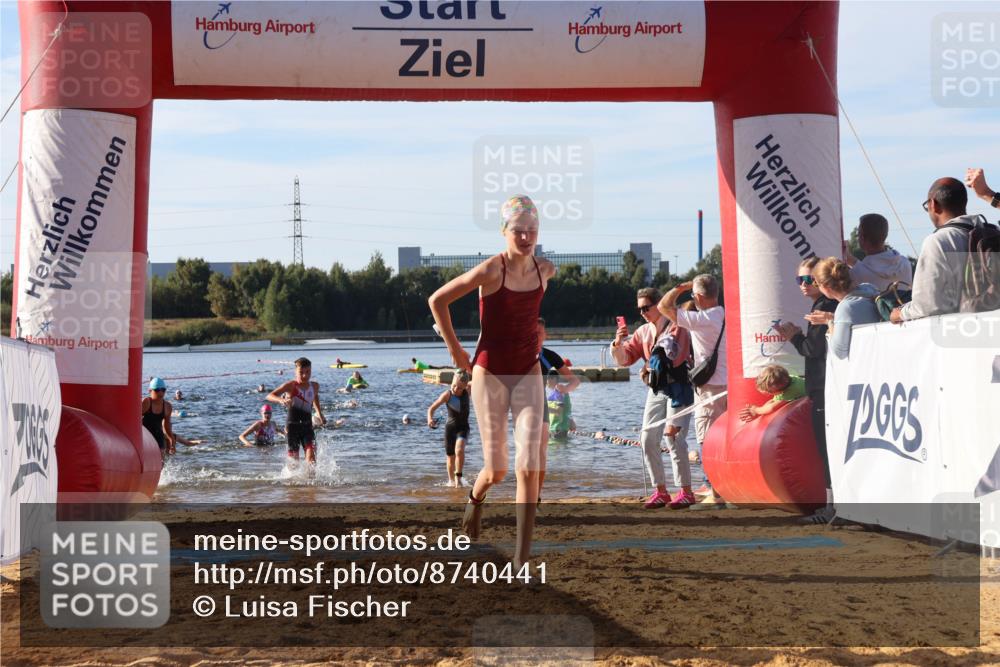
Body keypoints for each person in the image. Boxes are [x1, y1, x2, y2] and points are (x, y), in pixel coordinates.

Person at [428, 194, 555, 568]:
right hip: (490, 371)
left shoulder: (544, 270)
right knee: (497, 468)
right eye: (518, 231)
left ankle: (521, 559)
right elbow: (438, 300)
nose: (526, 237)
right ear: (504, 231)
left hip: (528, 369)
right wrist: (456, 353)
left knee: (529, 464)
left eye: (532, 230)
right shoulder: (491, 270)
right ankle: (475, 498)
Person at [611, 287, 696, 509]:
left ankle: (686, 491)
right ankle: (661, 490)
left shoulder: (679, 325)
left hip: (680, 387)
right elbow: (626, 359)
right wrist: (618, 344)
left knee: (674, 438)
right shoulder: (642, 332)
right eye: (639, 309)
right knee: (647, 438)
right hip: (657, 389)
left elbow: (674, 353)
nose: (642, 313)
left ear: (658, 304)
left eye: (646, 308)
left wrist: (654, 362)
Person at [775, 257, 839, 520]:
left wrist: (794, 336)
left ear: (821, 280)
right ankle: (835, 506)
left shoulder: (824, 306)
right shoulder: (830, 306)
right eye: (798, 280)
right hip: (829, 385)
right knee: (830, 449)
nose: (802, 285)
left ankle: (832, 507)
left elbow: (813, 350)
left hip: (823, 386)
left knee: (827, 450)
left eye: (807, 279)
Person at [658, 274, 728, 509]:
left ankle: (716, 494)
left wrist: (680, 287)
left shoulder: (702, 319)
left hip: (709, 388)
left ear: (698, 296)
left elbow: (663, 306)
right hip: (730, 386)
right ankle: (725, 490)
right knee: (726, 440)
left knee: (707, 441)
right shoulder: (725, 314)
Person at [890, 177, 980, 323]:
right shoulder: (990, 232)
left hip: (959, 332)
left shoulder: (938, 241)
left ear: (933, 204)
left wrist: (899, 314)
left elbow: (927, 304)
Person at [537, 317, 581, 502]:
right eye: (531, 332)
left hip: (541, 407)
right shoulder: (518, 353)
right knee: (525, 452)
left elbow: (575, 380)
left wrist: (566, 389)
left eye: (538, 332)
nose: (534, 336)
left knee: (540, 454)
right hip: (522, 407)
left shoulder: (549, 355)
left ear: (544, 335)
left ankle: (536, 496)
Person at [812, 258, 881, 359]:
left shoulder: (845, 307)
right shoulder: (870, 288)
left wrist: (830, 321)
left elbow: (839, 352)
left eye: (816, 284)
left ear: (826, 287)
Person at [267, 357, 326, 469]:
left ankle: (312, 485)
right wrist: (281, 400)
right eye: (301, 372)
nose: (304, 375)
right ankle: (294, 484)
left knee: (312, 459)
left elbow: (315, 397)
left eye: (308, 372)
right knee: (294, 463)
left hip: (308, 427)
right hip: (292, 427)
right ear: (295, 372)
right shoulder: (290, 385)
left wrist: (319, 413)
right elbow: (270, 395)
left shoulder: (314, 386)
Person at [426, 370, 472, 487]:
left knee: (459, 450)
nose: (456, 389)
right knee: (450, 457)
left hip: (463, 428)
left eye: (460, 388)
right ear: (451, 382)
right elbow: (431, 409)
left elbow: (482, 382)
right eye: (454, 385)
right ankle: (451, 481)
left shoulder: (468, 390)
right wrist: (430, 419)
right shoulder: (447, 395)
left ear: (465, 386)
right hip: (450, 429)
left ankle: (458, 478)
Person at [843, 213, 913, 291]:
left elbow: (865, 269)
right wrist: (849, 258)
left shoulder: (856, 275)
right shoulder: (905, 264)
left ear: (862, 238)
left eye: (858, 234)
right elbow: (870, 268)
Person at [738, 364, 806, 422]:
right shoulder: (789, 379)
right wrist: (758, 412)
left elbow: (772, 407)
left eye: (770, 391)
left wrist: (756, 410)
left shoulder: (792, 391)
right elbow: (773, 401)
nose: (770, 394)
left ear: (780, 390)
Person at [142, 378, 177, 460]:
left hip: (158, 435)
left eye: (163, 390)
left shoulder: (167, 406)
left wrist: (172, 441)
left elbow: (167, 427)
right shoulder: (146, 402)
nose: (160, 392)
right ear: (150, 391)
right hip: (145, 434)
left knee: (161, 460)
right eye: (157, 390)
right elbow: (134, 420)